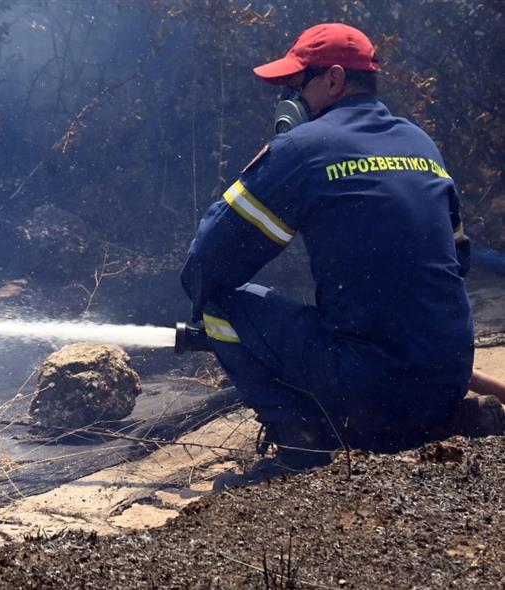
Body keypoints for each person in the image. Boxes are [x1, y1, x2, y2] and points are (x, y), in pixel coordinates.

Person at [180, 23, 497, 470]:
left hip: (372, 399)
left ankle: (303, 444)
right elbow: (458, 261)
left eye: (295, 85)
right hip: (444, 380)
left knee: (219, 306)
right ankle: (446, 418)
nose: (289, 97)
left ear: (332, 79)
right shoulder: (419, 143)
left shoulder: (303, 149)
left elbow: (206, 263)